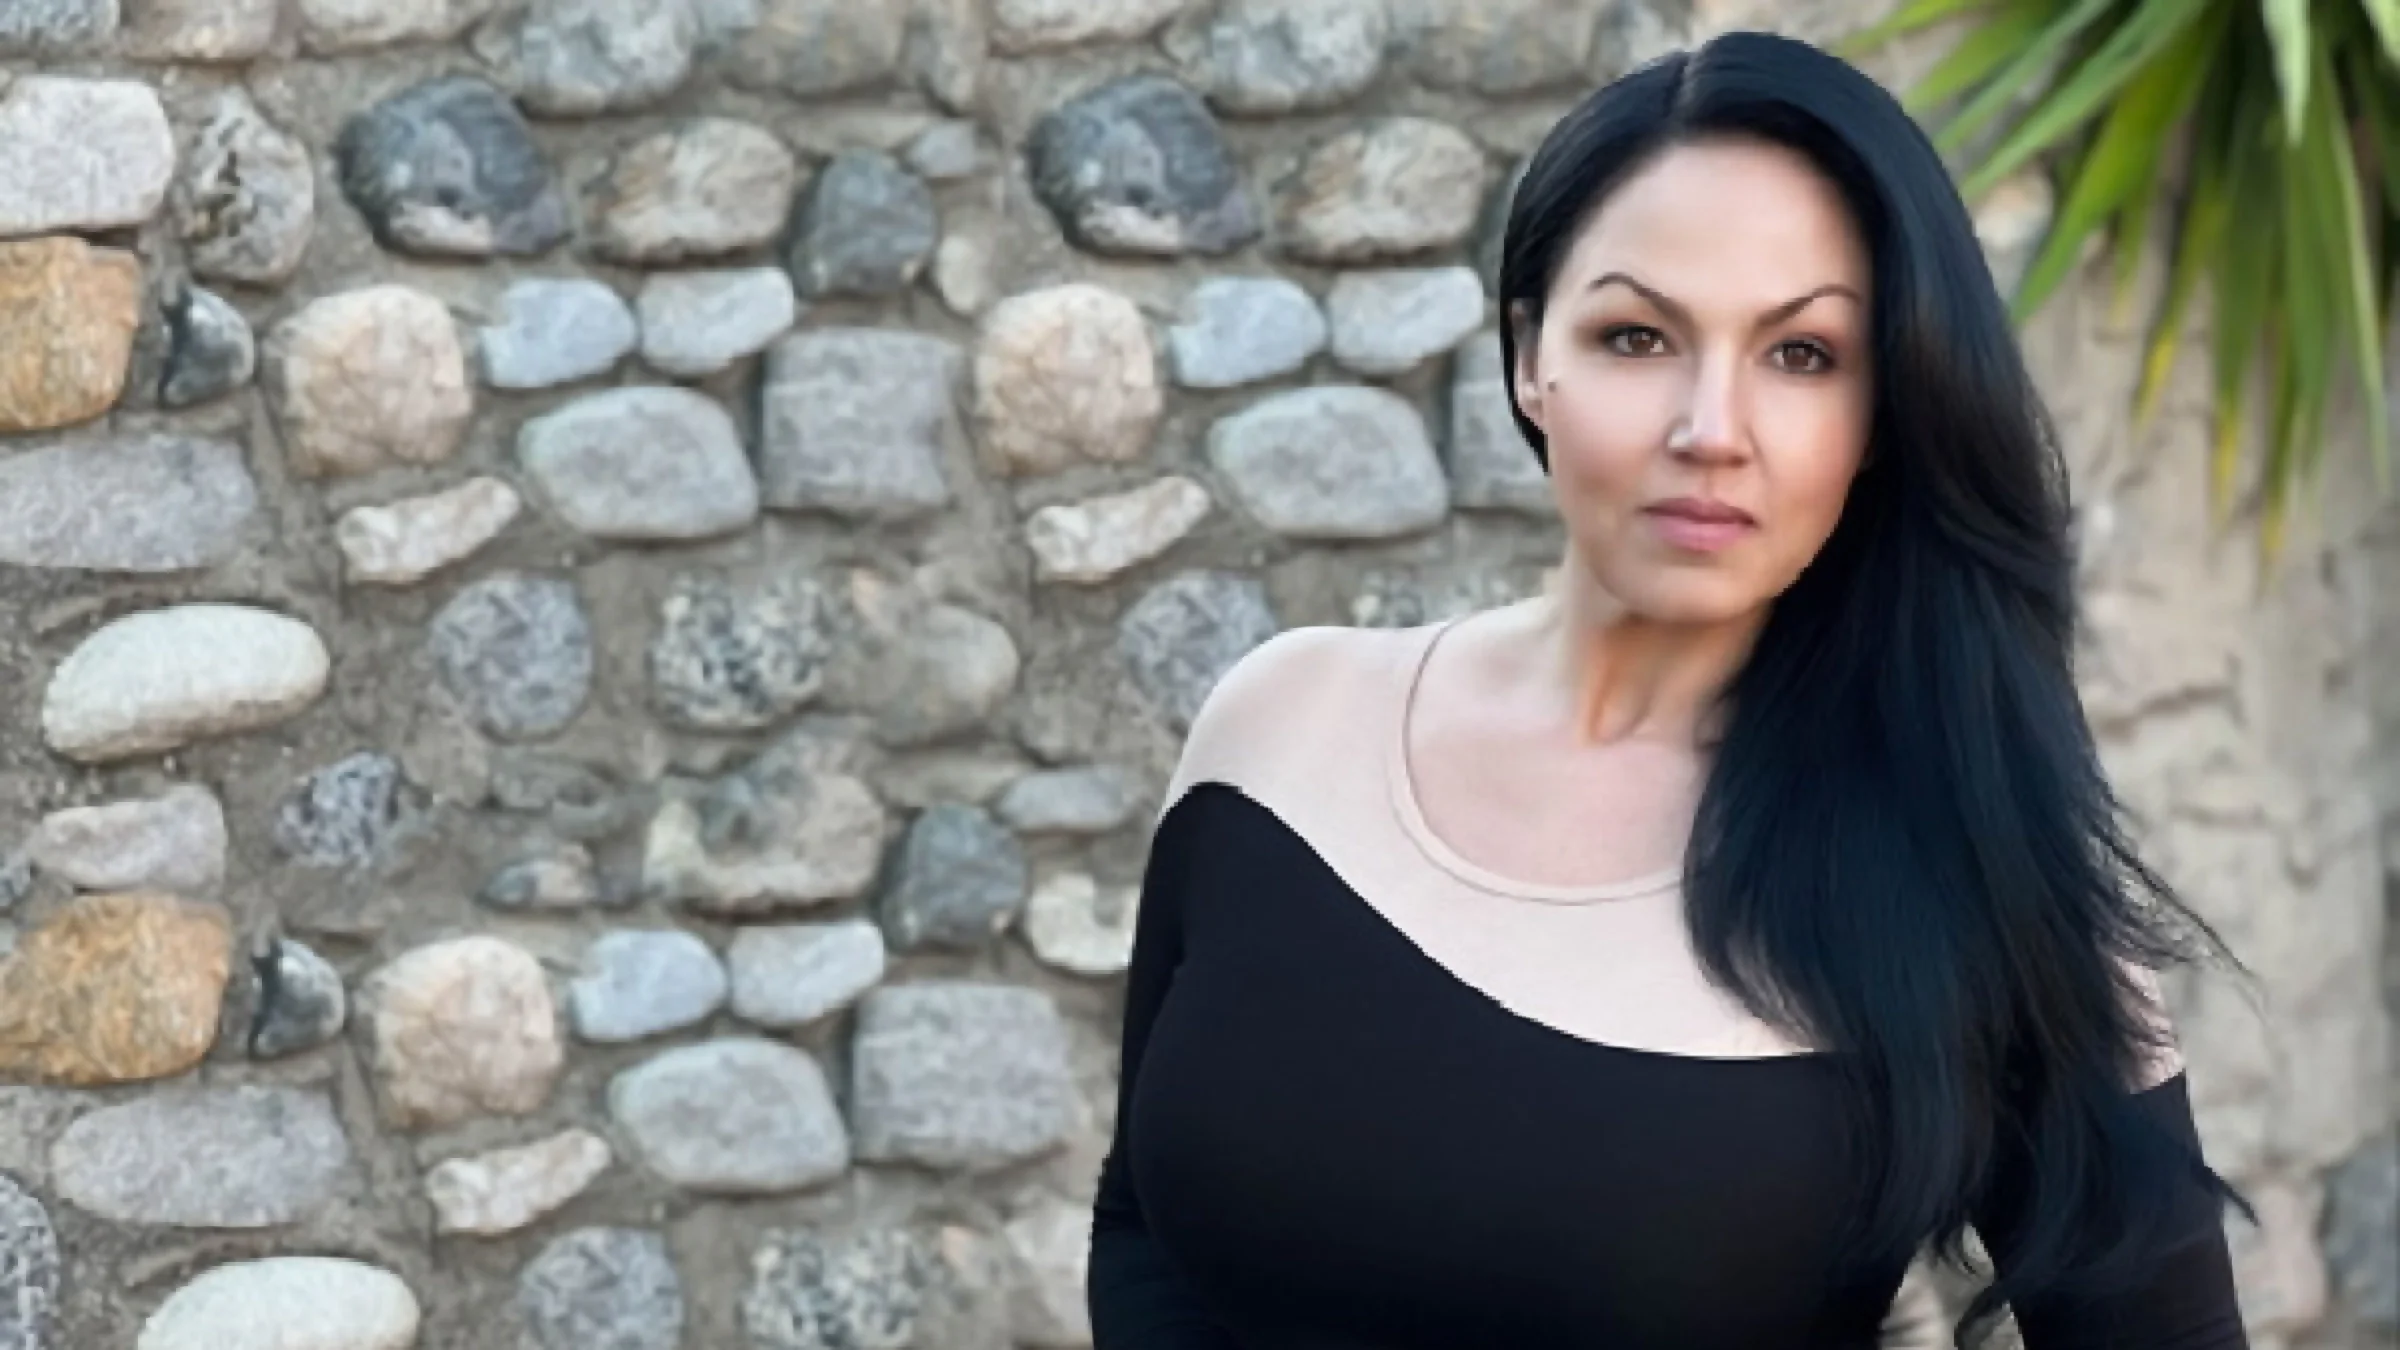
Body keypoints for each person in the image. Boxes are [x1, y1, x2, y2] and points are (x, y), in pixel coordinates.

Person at [1085, 28, 2255, 1350]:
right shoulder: (1279, 731)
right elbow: (1144, 1224)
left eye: (1802, 354)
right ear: (1533, 356)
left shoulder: (1978, 873)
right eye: (1639, 336)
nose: (1712, 427)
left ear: (1887, 409)